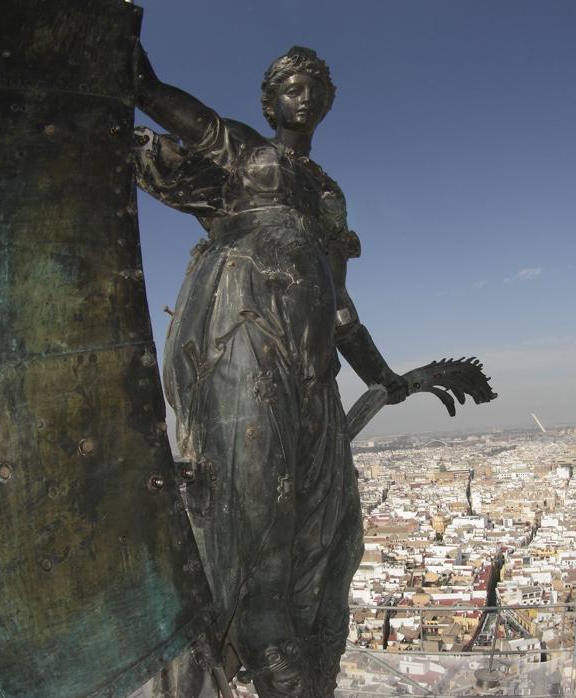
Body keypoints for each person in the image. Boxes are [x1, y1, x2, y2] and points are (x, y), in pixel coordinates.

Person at [134, 46, 408, 696]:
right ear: (268, 99)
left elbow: (338, 307)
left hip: (311, 382)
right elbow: (169, 105)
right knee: (252, 562)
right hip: (244, 358)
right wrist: (129, 62)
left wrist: (384, 376)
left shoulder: (328, 197)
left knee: (329, 550)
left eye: (315, 84)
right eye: (290, 84)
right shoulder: (250, 159)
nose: (303, 94)